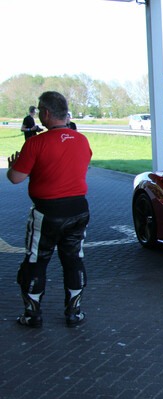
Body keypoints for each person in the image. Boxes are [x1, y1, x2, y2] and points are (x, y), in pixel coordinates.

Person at [6, 91, 92, 328]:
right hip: (79, 209)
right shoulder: (82, 140)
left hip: (48, 212)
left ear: (45, 113)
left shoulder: (36, 142)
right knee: (74, 259)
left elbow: (15, 178)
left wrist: (13, 166)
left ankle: (32, 315)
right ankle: (74, 313)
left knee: (36, 261)